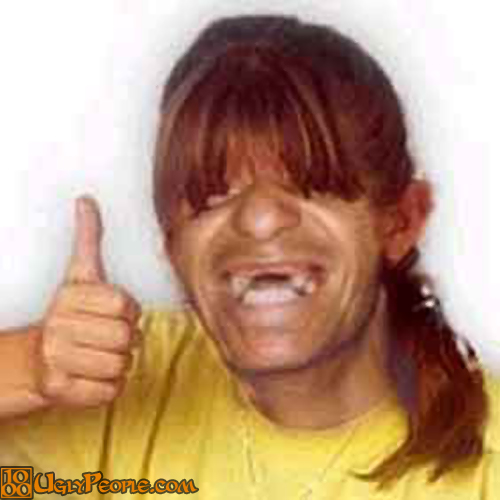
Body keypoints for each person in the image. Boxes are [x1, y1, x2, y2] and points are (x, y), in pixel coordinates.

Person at [0, 14, 499, 499]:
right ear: (171, 244)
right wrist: (28, 367)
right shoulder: (121, 378)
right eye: (213, 193)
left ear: (401, 221)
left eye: (312, 185)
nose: (259, 220)